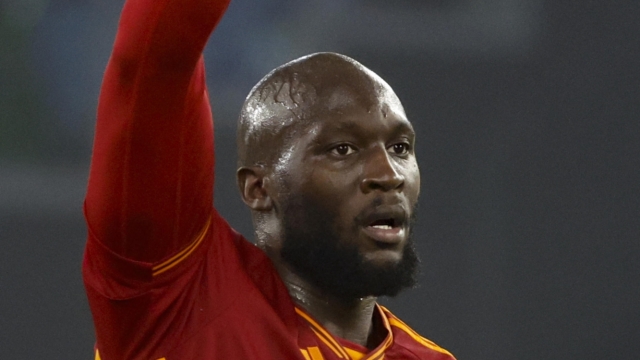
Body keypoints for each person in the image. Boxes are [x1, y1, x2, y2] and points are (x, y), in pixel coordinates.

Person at [83, 0, 456, 359]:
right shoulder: (175, 299)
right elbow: (153, 55)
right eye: (342, 149)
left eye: (400, 148)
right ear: (259, 188)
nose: (388, 175)